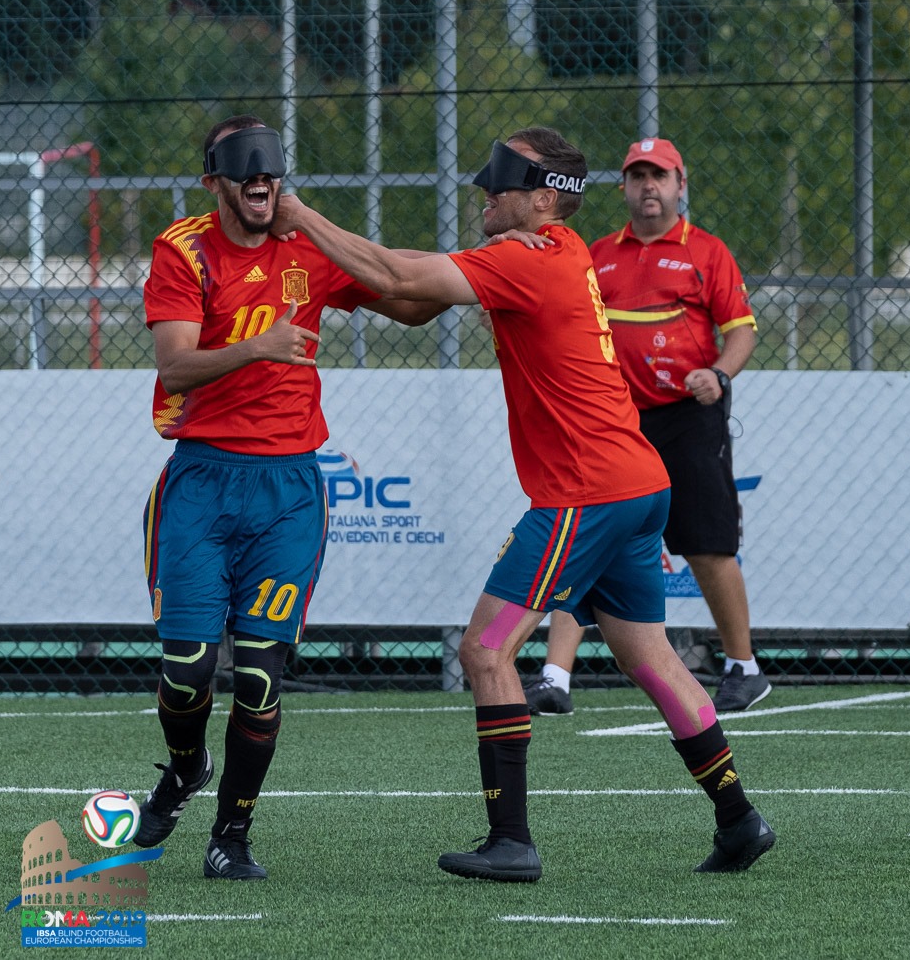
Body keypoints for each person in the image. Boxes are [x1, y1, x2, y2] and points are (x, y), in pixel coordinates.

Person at [271, 127, 775, 881]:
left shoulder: (527, 256)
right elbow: (408, 300)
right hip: (636, 484)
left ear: (542, 198)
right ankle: (739, 819)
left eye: (497, 187)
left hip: (588, 490)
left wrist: (300, 216)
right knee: (651, 655)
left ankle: (511, 839)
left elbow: (398, 272)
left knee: (484, 649)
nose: (484, 195)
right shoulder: (562, 249)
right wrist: (340, 273)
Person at [137, 115, 441, 879]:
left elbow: (407, 302)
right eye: (243, 171)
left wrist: (483, 281)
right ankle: (183, 769)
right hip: (202, 480)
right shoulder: (182, 249)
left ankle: (230, 836)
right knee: (186, 670)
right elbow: (174, 367)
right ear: (215, 183)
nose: (260, 181)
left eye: (269, 169)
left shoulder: (306, 248)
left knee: (264, 672)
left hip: (290, 488)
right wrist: (258, 347)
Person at [523, 138, 766, 716]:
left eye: (659, 175)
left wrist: (719, 374)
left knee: (708, 546)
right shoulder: (597, 253)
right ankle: (556, 676)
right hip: (613, 420)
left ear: (681, 185)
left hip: (688, 418)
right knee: (583, 537)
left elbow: (743, 330)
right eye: (637, 176)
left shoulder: (707, 252)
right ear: (624, 187)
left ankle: (744, 666)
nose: (647, 186)